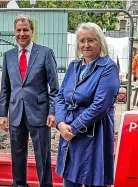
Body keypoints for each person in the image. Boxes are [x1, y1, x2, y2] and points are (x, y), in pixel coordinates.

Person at [54, 22, 120, 187]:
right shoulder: (74, 66)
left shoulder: (108, 67)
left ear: (100, 42)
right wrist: (61, 123)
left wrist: (74, 128)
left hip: (95, 133)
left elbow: (100, 105)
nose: (86, 45)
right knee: (69, 179)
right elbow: (61, 96)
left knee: (93, 179)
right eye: (82, 41)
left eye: (91, 40)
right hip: (68, 130)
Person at [0, 15, 59, 187]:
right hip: (16, 112)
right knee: (17, 155)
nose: (22, 33)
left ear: (32, 31)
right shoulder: (8, 56)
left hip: (39, 113)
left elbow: (54, 88)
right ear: (14, 32)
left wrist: (52, 112)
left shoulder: (45, 53)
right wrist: (3, 114)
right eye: (18, 30)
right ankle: (19, 184)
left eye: (25, 30)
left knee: (42, 155)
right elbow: (5, 88)